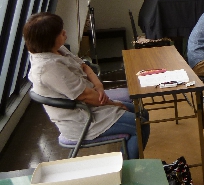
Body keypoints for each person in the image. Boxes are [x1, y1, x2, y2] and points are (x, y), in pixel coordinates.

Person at [23, 12, 149, 159]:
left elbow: (84, 67)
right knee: (140, 124)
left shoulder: (58, 49)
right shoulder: (48, 68)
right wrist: (116, 103)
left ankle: (127, 156)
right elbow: (86, 96)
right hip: (83, 119)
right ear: (48, 39)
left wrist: (99, 86)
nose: (65, 32)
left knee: (142, 113)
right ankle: (127, 168)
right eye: (60, 32)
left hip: (92, 105)